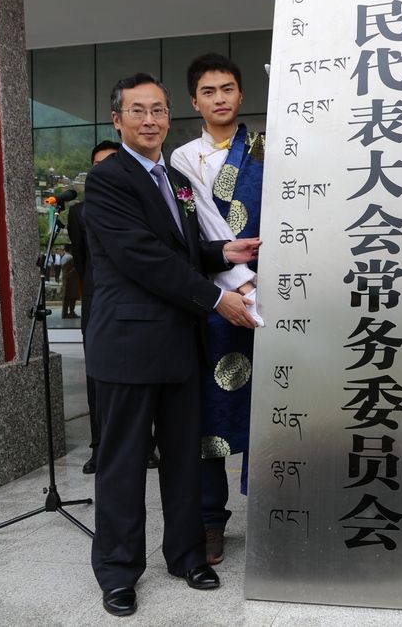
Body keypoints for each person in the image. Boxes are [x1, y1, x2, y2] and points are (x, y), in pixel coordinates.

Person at [83, 72, 260, 617]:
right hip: (129, 345)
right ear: (117, 119)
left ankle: (187, 556)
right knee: (124, 464)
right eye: (137, 111)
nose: (150, 120)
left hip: (181, 344)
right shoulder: (108, 180)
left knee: (184, 457)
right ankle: (118, 571)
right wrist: (216, 298)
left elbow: (180, 248)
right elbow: (143, 256)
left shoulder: (176, 178)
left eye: (157, 110)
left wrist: (222, 252)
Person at [170, 53, 262, 566]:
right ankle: (210, 520)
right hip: (215, 300)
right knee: (212, 414)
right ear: (194, 101)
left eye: (227, 89)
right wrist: (240, 286)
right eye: (209, 91)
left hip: (276, 292)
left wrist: (265, 286)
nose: (220, 98)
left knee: (276, 408)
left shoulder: (272, 148)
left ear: (241, 94)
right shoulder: (182, 159)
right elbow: (204, 227)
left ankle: (278, 511)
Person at [68, 140, 161, 475]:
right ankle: (98, 447)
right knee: (97, 380)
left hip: (139, 303)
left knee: (142, 376)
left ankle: (146, 446)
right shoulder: (78, 212)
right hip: (99, 303)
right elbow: (82, 261)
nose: (104, 169)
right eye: (98, 164)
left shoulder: (141, 203)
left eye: (110, 161)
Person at [59, 244, 79, 318]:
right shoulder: (70, 258)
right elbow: (74, 269)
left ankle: (65, 313)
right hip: (71, 281)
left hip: (66, 280)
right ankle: (71, 312)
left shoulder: (64, 257)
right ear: (70, 249)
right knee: (72, 297)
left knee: (66, 297)